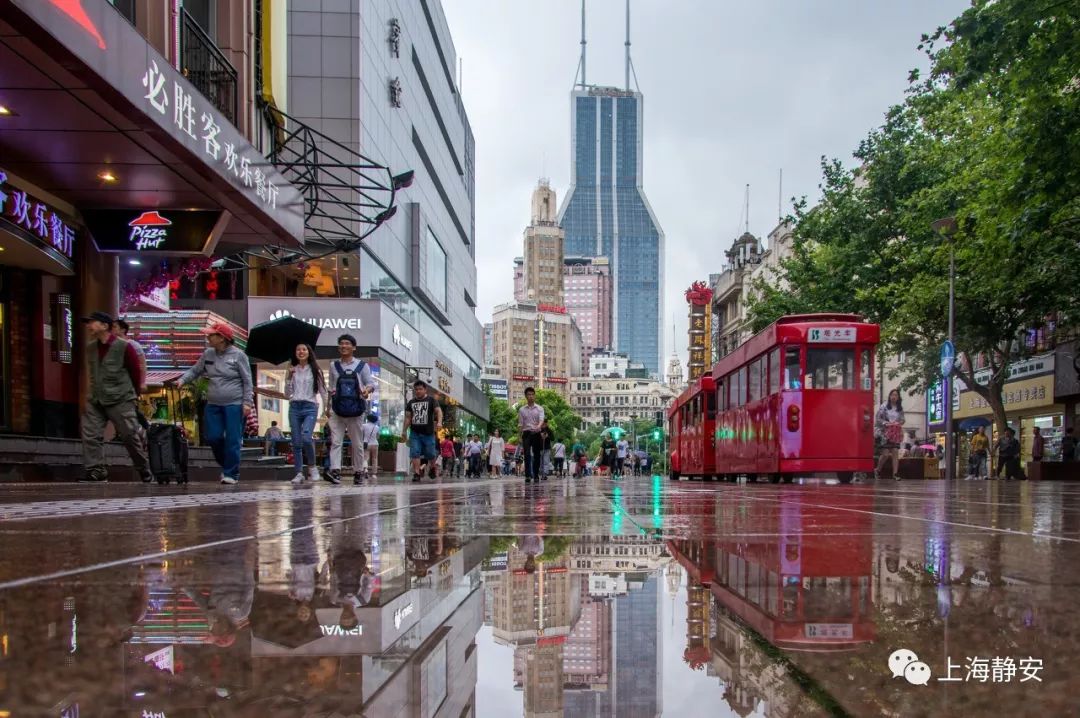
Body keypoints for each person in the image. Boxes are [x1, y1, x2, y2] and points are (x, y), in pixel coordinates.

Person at [175, 322, 253, 485]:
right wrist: (182, 380)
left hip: (234, 404)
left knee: (233, 439)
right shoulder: (208, 354)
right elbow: (195, 370)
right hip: (213, 403)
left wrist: (247, 403)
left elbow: (247, 380)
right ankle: (228, 464)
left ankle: (231, 473)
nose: (208, 337)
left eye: (211, 335)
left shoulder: (239, 356)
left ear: (222, 338)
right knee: (213, 437)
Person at [80, 310, 153, 483]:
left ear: (105, 326)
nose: (89, 326)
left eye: (92, 322)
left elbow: (135, 371)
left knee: (129, 435)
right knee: (90, 434)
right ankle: (96, 470)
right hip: (96, 398)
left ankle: (143, 468)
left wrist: (134, 394)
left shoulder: (124, 346)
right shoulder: (90, 348)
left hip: (120, 398)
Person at [326, 334, 376, 485]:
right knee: (336, 441)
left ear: (354, 347)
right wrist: (328, 407)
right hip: (337, 409)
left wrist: (367, 390)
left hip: (356, 409)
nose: (344, 346)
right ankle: (335, 471)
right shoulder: (333, 365)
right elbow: (331, 387)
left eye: (347, 343)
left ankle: (358, 471)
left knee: (357, 443)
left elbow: (371, 383)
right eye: (341, 343)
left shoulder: (362, 366)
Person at [285, 343, 327, 485]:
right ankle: (298, 473)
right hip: (295, 406)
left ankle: (312, 466)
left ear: (309, 352)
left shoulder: (315, 370)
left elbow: (322, 391)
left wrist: (327, 408)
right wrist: (289, 378)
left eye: (304, 349)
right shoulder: (292, 370)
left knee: (306, 437)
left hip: (310, 406)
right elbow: (287, 394)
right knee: (296, 442)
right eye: (298, 349)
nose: (301, 352)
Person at [405, 380, 442, 482]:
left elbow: (439, 411)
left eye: (420, 389)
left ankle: (433, 467)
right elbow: (408, 418)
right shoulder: (411, 403)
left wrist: (439, 422)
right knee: (415, 452)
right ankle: (416, 473)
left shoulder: (431, 400)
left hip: (428, 433)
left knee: (430, 453)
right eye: (416, 389)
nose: (418, 391)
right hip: (415, 432)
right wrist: (404, 431)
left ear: (425, 390)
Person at [874, 389, 905, 481]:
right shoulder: (884, 406)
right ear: (889, 396)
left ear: (898, 397)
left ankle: (895, 474)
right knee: (886, 454)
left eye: (896, 395)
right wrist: (886, 423)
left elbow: (903, 419)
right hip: (884, 433)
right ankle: (877, 470)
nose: (894, 397)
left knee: (895, 451)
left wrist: (898, 423)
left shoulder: (900, 408)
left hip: (895, 433)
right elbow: (878, 419)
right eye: (892, 395)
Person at [517, 387, 545, 482]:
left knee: (537, 455)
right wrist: (519, 436)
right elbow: (520, 424)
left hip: (536, 433)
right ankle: (528, 475)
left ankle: (536, 474)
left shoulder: (540, 408)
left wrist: (539, 427)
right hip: (526, 433)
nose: (531, 396)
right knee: (527, 454)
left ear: (535, 396)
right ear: (526, 396)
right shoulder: (521, 410)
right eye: (529, 394)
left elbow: (541, 420)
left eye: (532, 394)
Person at [359, 414, 381, 482]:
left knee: (365, 458)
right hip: (375, 444)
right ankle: (374, 474)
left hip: (366, 443)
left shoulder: (364, 425)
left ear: (368, 419)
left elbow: (361, 434)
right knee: (375, 459)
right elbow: (378, 436)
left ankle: (365, 469)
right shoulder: (377, 427)